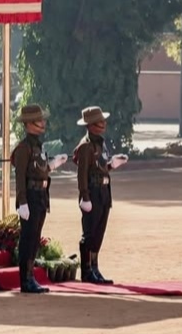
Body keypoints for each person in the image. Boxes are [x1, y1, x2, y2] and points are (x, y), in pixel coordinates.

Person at [10, 104, 67, 293]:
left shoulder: (38, 147)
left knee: (35, 238)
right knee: (28, 238)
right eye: (39, 120)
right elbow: (20, 178)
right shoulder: (23, 148)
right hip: (30, 197)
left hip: (41, 196)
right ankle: (25, 280)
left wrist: (52, 165)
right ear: (29, 124)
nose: (43, 123)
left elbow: (39, 170)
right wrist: (22, 202)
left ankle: (30, 277)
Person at [72, 106, 128, 285]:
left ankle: (95, 268)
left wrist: (113, 164)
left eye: (103, 121)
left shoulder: (100, 143)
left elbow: (102, 167)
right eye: (99, 122)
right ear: (90, 125)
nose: (103, 124)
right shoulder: (86, 146)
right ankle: (87, 270)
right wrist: (84, 196)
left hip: (104, 192)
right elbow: (82, 174)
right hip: (92, 193)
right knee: (89, 233)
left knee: (99, 233)